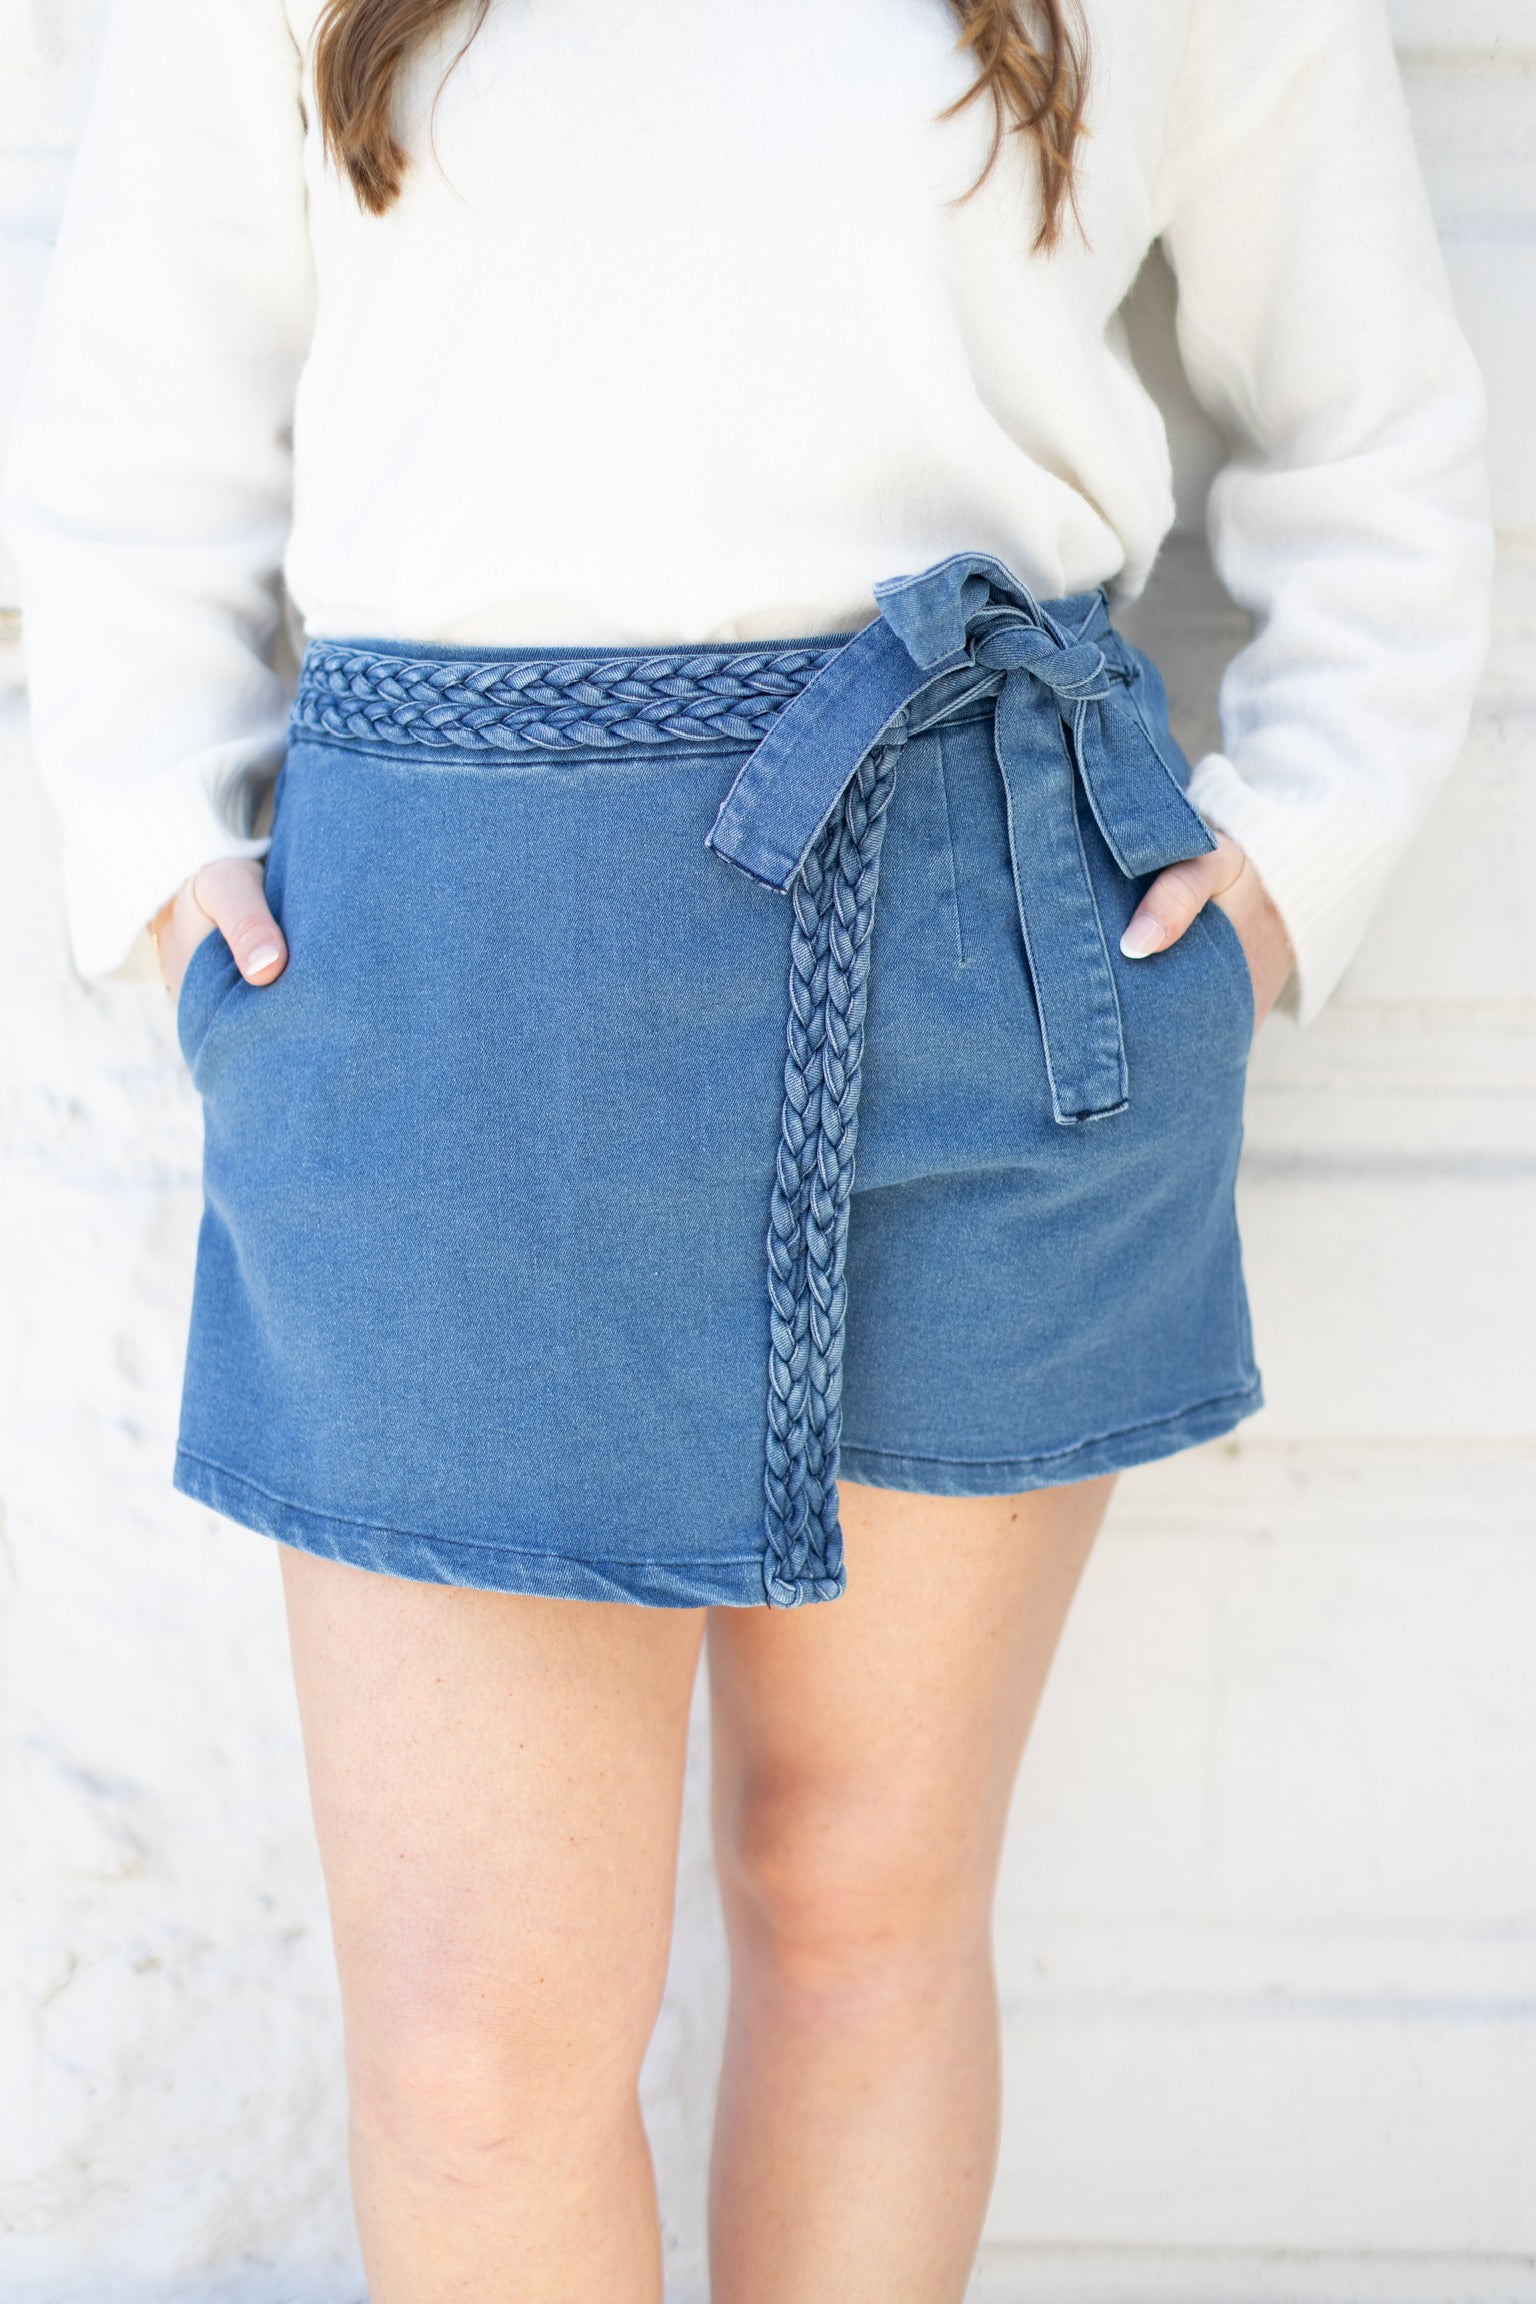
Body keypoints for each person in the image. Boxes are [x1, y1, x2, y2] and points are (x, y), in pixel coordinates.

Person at [4, 0, 1491, 2294]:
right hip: (449, 982)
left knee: (862, 1909)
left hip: (985, 929)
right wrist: (151, 836)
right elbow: (132, 407)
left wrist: (1290, 861)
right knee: (478, 2046)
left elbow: (1381, 434)